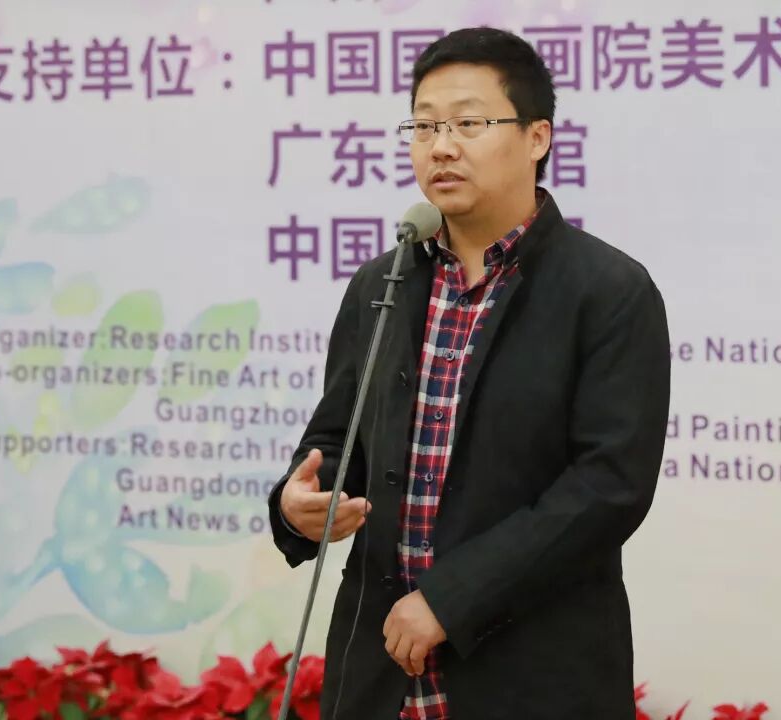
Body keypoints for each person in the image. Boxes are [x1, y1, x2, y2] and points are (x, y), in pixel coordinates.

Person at [268, 26, 670, 720]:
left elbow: (609, 487)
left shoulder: (608, 290)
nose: (441, 146)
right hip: (379, 675)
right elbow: (339, 441)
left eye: (468, 123)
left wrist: (451, 599)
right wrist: (301, 504)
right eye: (424, 126)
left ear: (537, 137)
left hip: (533, 675)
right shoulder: (382, 283)